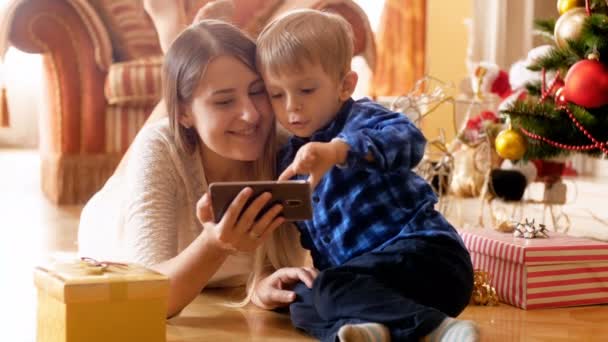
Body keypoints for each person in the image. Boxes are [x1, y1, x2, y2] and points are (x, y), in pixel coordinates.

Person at [256, 9, 477, 342]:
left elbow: (409, 141)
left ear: (345, 86)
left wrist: (337, 151)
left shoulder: (363, 119)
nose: (291, 108)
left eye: (306, 90)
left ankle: (439, 329)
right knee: (301, 300)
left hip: (430, 258)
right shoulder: (288, 162)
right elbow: (316, 242)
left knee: (331, 287)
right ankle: (374, 330)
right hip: (373, 287)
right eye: (277, 95)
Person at [78, 18, 314, 318]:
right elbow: (149, 299)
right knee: (154, 140)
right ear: (185, 112)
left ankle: (184, 41)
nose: (251, 114)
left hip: (190, 129)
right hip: (111, 228)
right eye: (225, 100)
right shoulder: (161, 148)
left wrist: (259, 285)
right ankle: (176, 37)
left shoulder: (289, 149)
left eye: (258, 92)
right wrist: (215, 244)